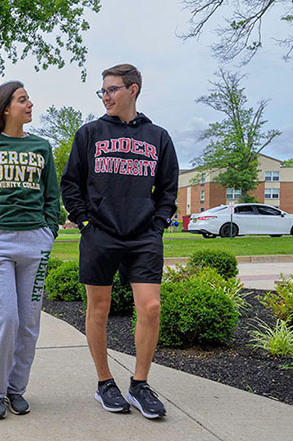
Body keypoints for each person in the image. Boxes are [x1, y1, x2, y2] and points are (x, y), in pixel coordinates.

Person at [60, 63, 179, 419]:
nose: (106, 97)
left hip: (143, 236)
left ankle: (140, 384)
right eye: (103, 91)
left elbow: (168, 188)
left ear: (133, 90)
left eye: (112, 90)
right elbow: (71, 184)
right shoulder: (90, 133)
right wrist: (84, 222)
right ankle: (104, 382)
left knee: (151, 307)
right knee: (98, 309)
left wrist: (157, 225)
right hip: (100, 234)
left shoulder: (158, 136)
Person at [0, 81, 60, 420]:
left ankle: (16, 389)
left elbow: (52, 196)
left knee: (28, 322)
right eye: (23, 100)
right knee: (4, 318)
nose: (30, 104)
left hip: (35, 242)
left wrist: (48, 231)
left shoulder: (41, 147)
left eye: (29, 99)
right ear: (6, 108)